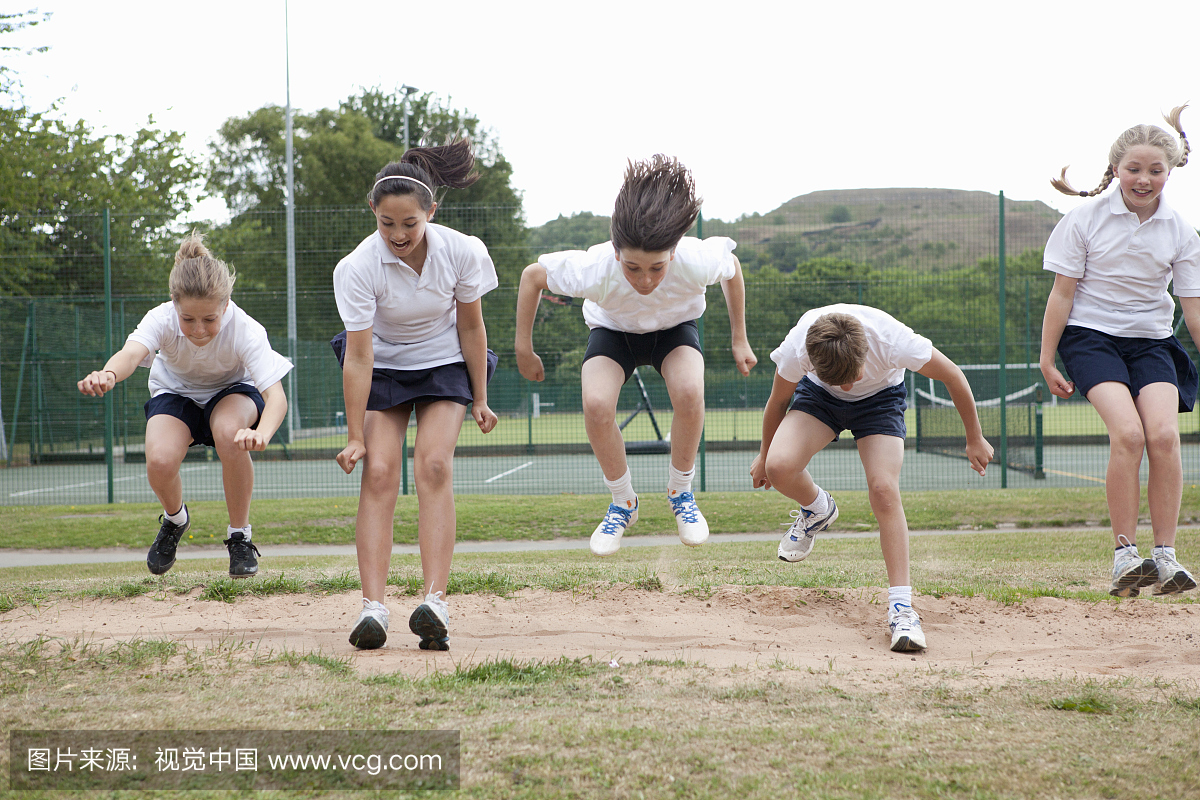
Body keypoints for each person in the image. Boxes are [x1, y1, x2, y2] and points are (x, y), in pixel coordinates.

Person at [515, 155, 756, 556]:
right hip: (613, 333)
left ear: (675, 252)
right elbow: (532, 276)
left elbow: (732, 268)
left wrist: (740, 338)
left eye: (657, 268)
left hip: (674, 331)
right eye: (632, 268)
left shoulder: (696, 260)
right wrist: (524, 348)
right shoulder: (593, 268)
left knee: (689, 392)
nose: (645, 280)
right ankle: (623, 501)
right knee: (595, 404)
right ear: (615, 252)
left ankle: (681, 493)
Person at [333, 140, 499, 651]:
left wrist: (480, 397)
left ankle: (435, 604)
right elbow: (359, 357)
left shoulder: (462, 251)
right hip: (383, 364)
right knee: (379, 471)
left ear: (431, 210)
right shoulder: (357, 267)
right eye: (387, 223)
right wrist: (354, 434)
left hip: (444, 361)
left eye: (409, 222)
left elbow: (472, 328)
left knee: (433, 465)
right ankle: (374, 610)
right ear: (373, 213)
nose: (398, 234)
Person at [750, 305, 993, 652]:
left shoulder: (894, 341)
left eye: (853, 374)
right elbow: (778, 400)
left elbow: (952, 375)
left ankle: (902, 610)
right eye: (840, 379)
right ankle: (817, 508)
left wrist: (974, 437)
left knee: (883, 490)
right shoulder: (796, 348)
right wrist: (763, 454)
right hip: (820, 399)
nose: (848, 385)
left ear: (866, 352)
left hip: (880, 402)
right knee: (779, 466)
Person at [1042, 104, 1199, 598]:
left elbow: (1192, 309)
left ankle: (1167, 559)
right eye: (1134, 168)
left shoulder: (1180, 230)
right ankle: (1125, 557)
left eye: (1156, 170)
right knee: (1128, 435)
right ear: (1115, 169)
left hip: (1152, 341)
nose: (1144, 179)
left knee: (1164, 437)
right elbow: (1062, 294)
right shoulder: (1084, 219)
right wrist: (1047, 358)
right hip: (1091, 338)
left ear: (1170, 172)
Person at [77, 233, 292, 579]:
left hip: (231, 391)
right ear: (174, 304)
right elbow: (131, 354)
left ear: (225, 305)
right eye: (188, 319)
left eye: (209, 319)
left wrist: (263, 433)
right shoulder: (161, 318)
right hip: (175, 393)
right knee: (160, 461)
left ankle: (240, 536)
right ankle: (175, 520)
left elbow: (276, 397)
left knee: (228, 434)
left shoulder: (246, 330)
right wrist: (108, 374)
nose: (198, 329)